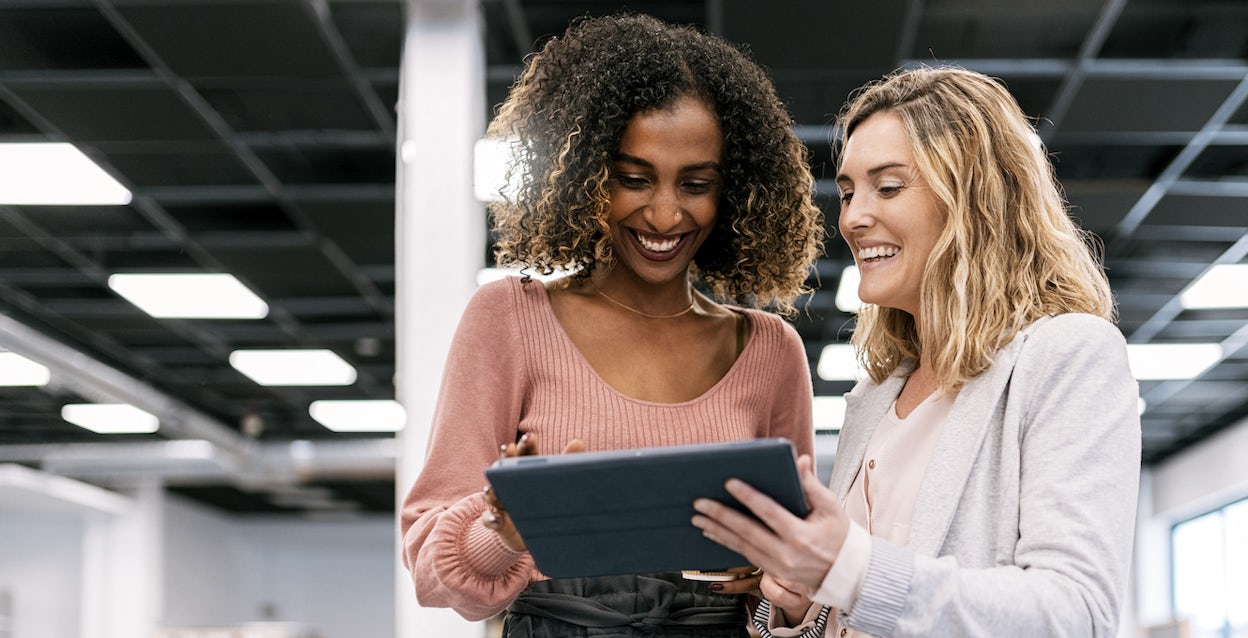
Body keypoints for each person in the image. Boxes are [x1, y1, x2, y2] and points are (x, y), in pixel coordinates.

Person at [400, 13, 823, 637]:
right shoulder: (508, 321)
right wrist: (504, 527)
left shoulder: (768, 350)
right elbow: (431, 572)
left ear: (733, 192)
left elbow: (795, 583)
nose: (664, 213)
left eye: (697, 184)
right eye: (634, 178)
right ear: (586, 175)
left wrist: (774, 585)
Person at [691, 66, 1142, 637]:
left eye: (888, 186)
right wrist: (799, 602)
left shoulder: (1068, 356)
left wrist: (847, 567)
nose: (852, 217)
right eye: (849, 191)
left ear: (973, 196)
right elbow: (859, 607)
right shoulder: (874, 399)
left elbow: (1076, 613)